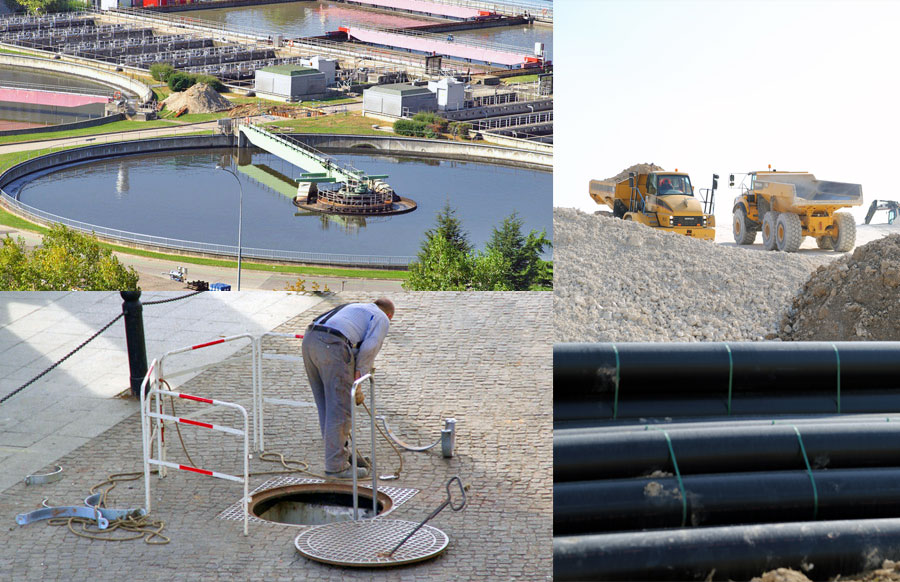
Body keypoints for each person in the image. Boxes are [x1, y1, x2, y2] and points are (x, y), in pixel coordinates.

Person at [302, 298, 394, 479]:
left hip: (309, 341)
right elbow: (370, 348)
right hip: (332, 345)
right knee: (340, 410)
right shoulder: (382, 317)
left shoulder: (356, 307)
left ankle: (340, 454)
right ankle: (336, 467)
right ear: (389, 315)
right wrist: (358, 381)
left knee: (327, 408)